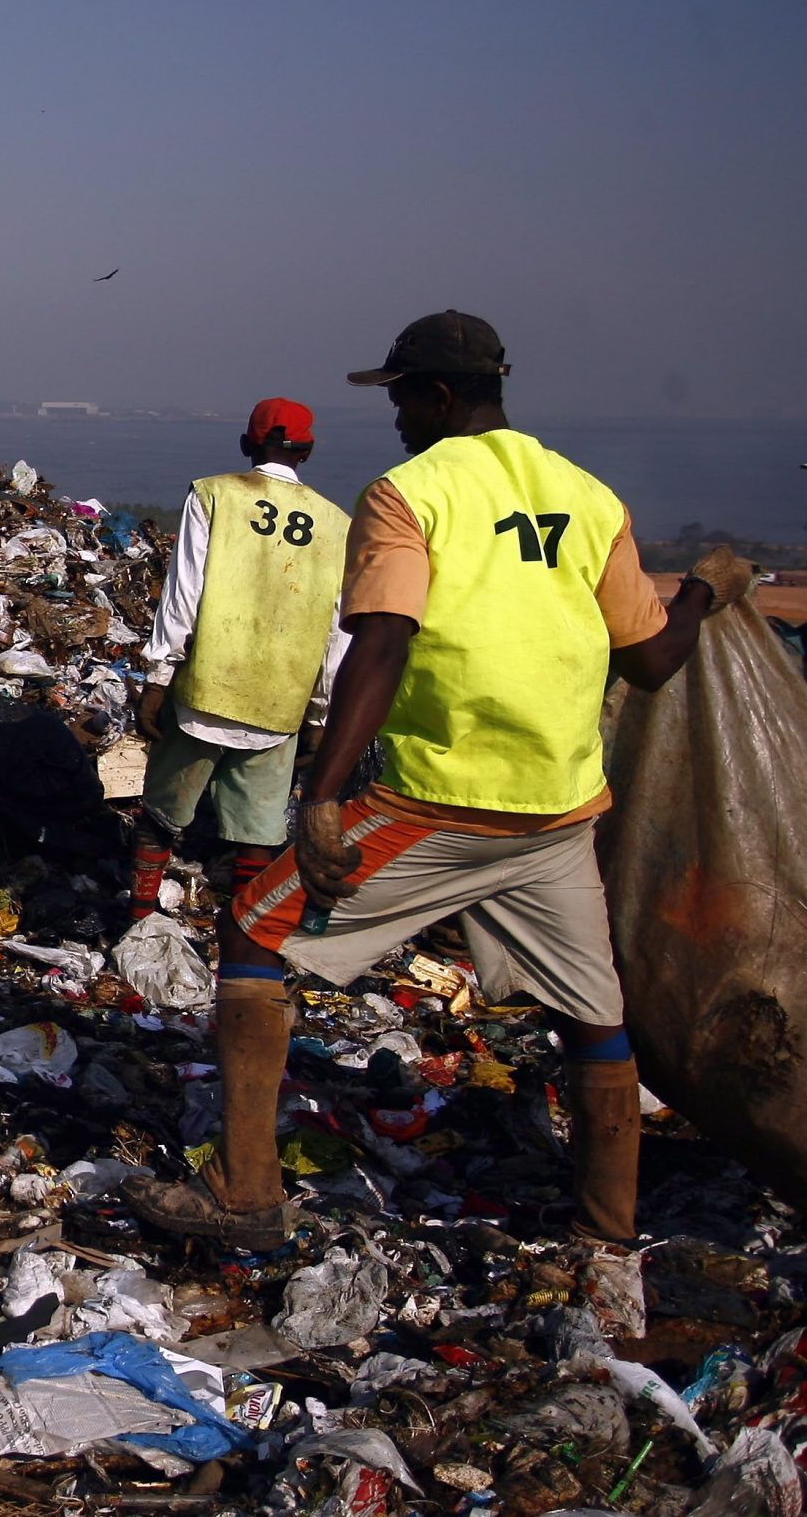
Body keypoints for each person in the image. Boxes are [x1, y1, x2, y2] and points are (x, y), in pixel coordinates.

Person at [124, 311, 757, 1250]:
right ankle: (607, 1244)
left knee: (254, 928)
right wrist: (704, 589)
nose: (396, 419)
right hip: (559, 814)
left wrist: (325, 795)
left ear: (442, 396)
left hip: (438, 800)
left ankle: (246, 1191)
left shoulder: (410, 493)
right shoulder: (590, 497)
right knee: (595, 1016)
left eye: (403, 399)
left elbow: (382, 641)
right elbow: (655, 658)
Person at [128, 399, 349, 919]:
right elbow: (337, 631)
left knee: (160, 818)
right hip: (280, 703)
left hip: (205, 692)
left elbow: (184, 592)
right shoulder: (337, 523)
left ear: (247, 443)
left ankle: (137, 922)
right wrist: (321, 715)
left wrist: (158, 676)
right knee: (257, 836)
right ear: (308, 451)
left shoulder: (214, 494)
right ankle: (243, 934)